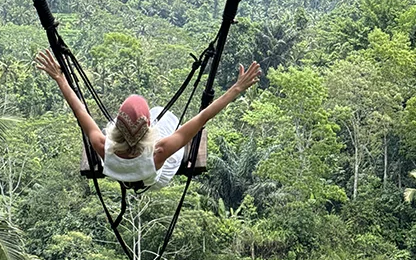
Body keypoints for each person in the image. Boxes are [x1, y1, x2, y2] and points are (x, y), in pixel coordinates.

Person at [35, 49, 261, 188]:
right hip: (156, 177)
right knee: (164, 112)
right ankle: (151, 120)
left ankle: (134, 123)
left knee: (146, 117)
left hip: (121, 171)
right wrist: (236, 89)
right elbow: (202, 118)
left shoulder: (103, 146)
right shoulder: (159, 151)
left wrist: (60, 79)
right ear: (147, 131)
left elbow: (80, 111)